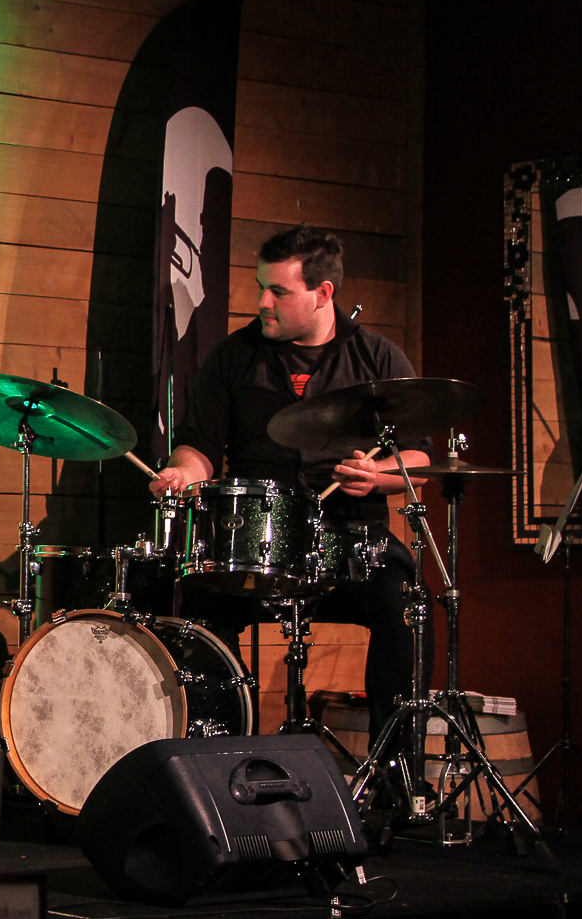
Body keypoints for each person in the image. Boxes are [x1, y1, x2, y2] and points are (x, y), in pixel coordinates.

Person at [148, 223, 429, 740]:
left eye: (278, 291)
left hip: (351, 540)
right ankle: (225, 748)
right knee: (200, 607)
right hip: (256, 537)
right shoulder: (233, 357)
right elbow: (199, 445)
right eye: (262, 287)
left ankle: (392, 766)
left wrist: (378, 476)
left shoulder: (377, 358)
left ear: (323, 293)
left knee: (407, 607)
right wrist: (182, 472)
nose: (262, 302)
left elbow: (418, 456)